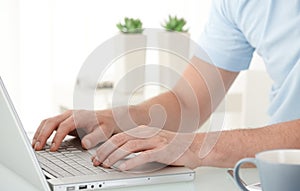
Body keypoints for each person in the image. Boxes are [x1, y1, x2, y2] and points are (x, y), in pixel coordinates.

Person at [32, 0, 300, 171]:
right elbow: (188, 101)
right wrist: (117, 118)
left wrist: (196, 146)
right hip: (280, 173)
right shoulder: (239, 4)